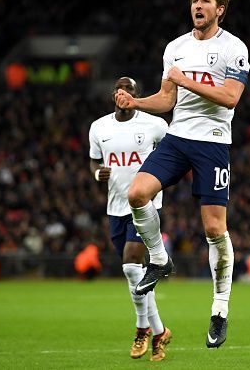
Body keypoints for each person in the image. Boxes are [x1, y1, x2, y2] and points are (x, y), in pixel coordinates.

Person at [115, 0, 250, 348]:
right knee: (137, 192)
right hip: (178, 137)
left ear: (219, 9)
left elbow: (230, 98)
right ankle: (159, 260)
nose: (198, 6)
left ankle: (220, 311)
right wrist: (137, 103)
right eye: (194, 0)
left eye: (205, 1)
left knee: (213, 228)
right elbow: (166, 99)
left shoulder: (233, 48)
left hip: (213, 142)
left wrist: (185, 80)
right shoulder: (175, 47)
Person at [89, 76, 172, 361]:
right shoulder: (99, 127)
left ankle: (142, 329)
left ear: (136, 95)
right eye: (118, 89)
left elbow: (174, 150)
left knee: (130, 267)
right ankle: (160, 332)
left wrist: (161, 176)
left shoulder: (155, 124)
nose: (122, 93)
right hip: (115, 207)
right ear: (113, 94)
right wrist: (96, 171)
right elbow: (94, 159)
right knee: (135, 273)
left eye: (129, 90)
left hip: (146, 204)